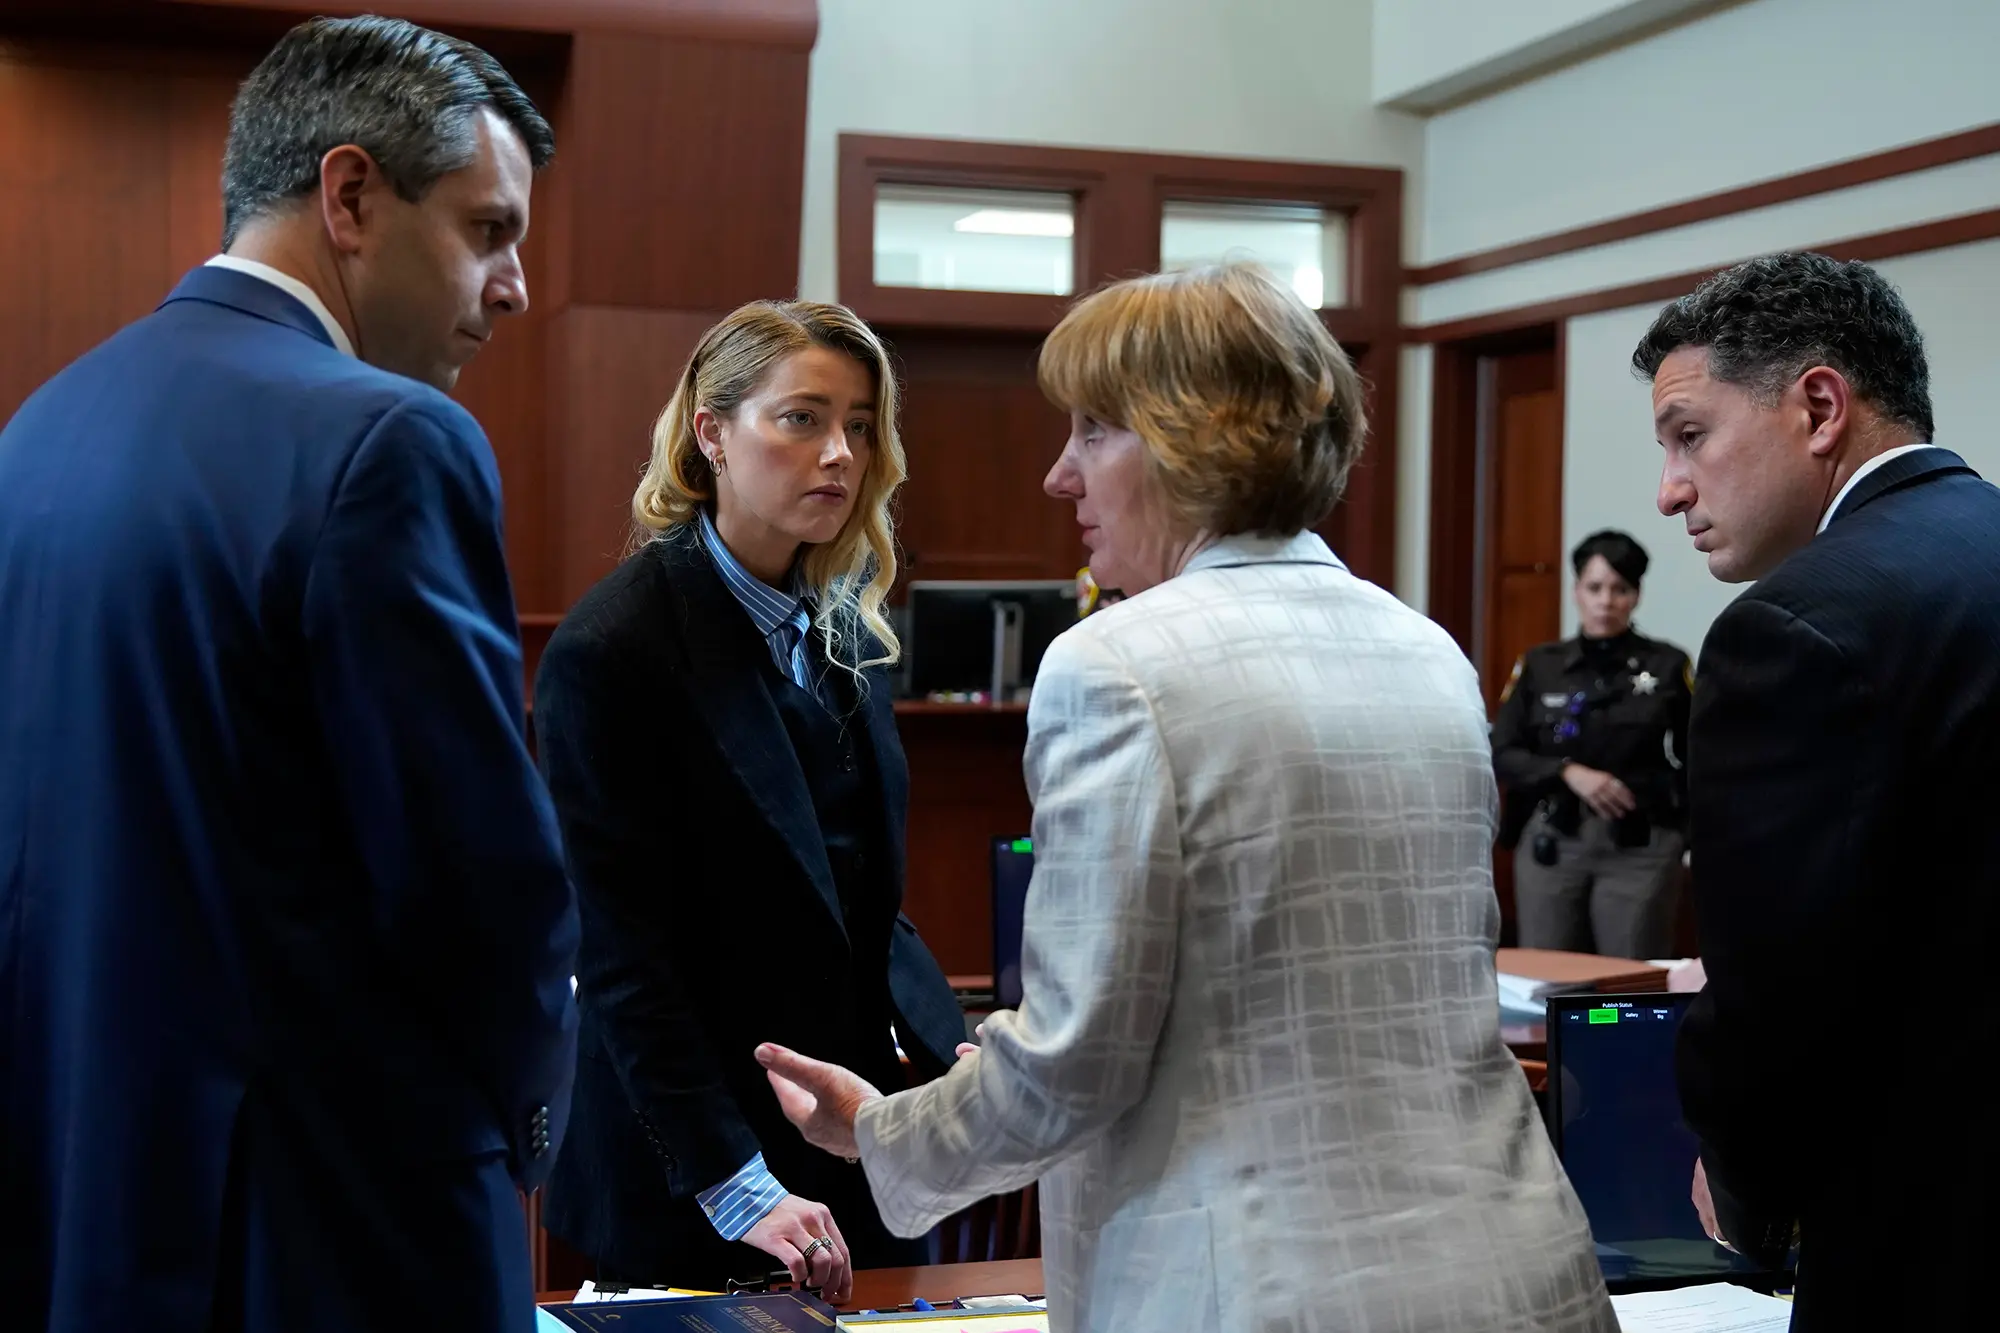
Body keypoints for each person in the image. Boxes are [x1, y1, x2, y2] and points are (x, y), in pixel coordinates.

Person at [753, 264, 1616, 1333]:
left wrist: (879, 1129)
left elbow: (1075, 1062)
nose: (1059, 475)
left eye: (1092, 431)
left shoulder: (1114, 666)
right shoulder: (1427, 648)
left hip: (1266, 1294)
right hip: (1518, 1273)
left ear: (1190, 439)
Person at [0, 16, 577, 1333]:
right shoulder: (387, 439)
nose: (512, 287)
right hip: (327, 1230)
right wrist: (530, 1122)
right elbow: (479, 885)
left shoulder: (39, 430)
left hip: (84, 1199)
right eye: (488, 230)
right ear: (352, 196)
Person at [533, 300, 966, 1304]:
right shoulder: (612, 648)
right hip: (697, 1166)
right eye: (801, 418)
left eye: (859, 426)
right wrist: (739, 1185)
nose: (840, 454)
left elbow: (860, 897)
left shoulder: (850, 622)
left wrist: (963, 1072)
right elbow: (622, 962)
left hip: (852, 1134)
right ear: (712, 433)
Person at [1638, 251, 2000, 1330]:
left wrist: (1743, 1184)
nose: (1669, 490)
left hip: (1920, 1232)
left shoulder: (1797, 627)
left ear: (1819, 407)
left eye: (1689, 435)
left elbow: (1779, 1001)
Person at [1492, 529, 1692, 959]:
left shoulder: (1667, 666)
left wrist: (1682, 832)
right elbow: (1502, 752)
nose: (1606, 601)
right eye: (1595, 587)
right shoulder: (1540, 666)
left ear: (1636, 596)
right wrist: (1567, 772)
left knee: (1630, 983)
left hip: (1639, 846)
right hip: (1555, 841)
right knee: (1550, 980)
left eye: (1620, 589)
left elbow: (1699, 756)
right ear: (1576, 591)